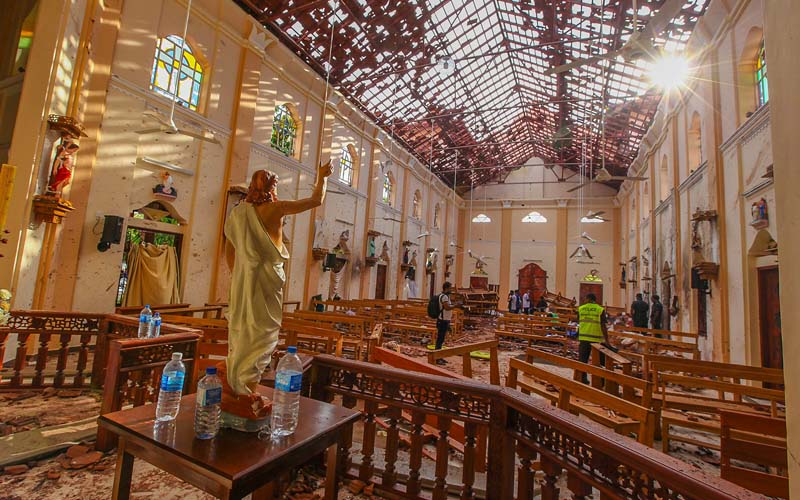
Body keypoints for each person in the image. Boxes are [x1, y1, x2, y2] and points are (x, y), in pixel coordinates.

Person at [223, 160, 332, 423]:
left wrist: (240, 274)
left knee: (244, 326)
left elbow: (230, 249)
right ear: (272, 187)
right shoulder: (277, 208)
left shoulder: (238, 213)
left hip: (245, 278)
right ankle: (245, 389)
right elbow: (315, 200)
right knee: (264, 330)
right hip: (268, 278)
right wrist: (322, 177)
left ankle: (239, 385)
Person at [577, 293, 608, 384]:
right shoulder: (600, 309)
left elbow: (579, 321)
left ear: (588, 299)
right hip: (596, 339)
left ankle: (582, 379)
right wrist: (606, 340)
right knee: (600, 361)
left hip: (584, 338)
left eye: (585, 298)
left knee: (583, 360)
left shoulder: (581, 308)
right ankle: (601, 381)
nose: (584, 300)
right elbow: (603, 326)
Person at [435, 282, 457, 363]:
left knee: (441, 339)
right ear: (446, 288)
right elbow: (447, 308)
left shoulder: (446, 296)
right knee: (440, 340)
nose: (451, 290)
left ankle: (439, 357)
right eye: (450, 288)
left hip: (445, 320)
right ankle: (437, 358)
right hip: (442, 321)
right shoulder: (444, 297)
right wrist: (456, 306)